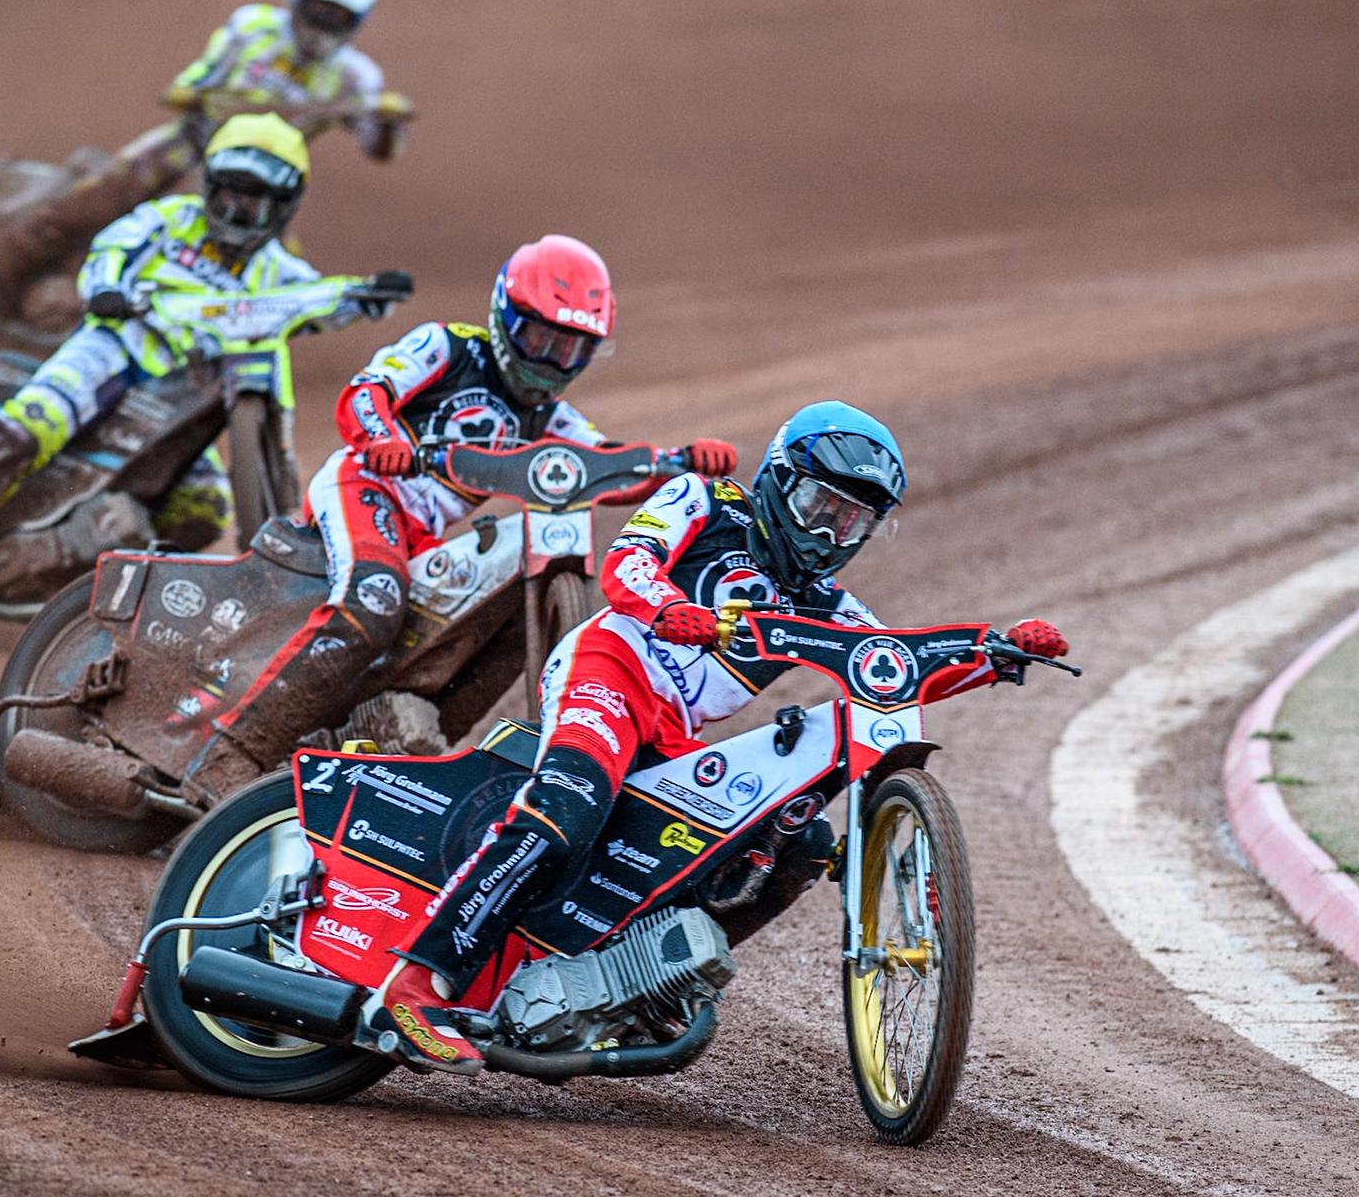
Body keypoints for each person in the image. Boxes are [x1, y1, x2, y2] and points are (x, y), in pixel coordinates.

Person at [359, 400, 1071, 1071]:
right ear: (778, 481)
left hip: (673, 729)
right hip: (609, 669)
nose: (829, 534)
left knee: (799, 842)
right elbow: (627, 564)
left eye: (851, 523)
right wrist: (670, 606)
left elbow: (890, 668)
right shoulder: (706, 501)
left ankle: (641, 982)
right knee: (570, 802)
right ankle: (417, 980)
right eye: (820, 507)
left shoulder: (830, 606)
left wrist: (993, 655)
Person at [171, 233, 740, 795]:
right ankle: (230, 753)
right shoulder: (446, 347)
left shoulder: (552, 419)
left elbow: (602, 466)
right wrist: (383, 438)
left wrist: (680, 465)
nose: (549, 361)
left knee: (477, 619)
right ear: (505, 317)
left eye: (568, 349)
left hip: (420, 539)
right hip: (365, 488)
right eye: (540, 337)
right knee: (373, 603)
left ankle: (400, 745)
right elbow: (367, 390)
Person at [0, 112, 408, 610]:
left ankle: (83, 587)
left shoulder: (277, 270)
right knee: (31, 427)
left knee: (202, 510)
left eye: (253, 206)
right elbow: (111, 249)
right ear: (207, 187)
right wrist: (106, 289)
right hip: (114, 353)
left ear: (285, 207)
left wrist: (364, 294)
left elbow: (313, 302)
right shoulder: (166, 221)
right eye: (228, 199)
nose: (235, 216)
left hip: (184, 401)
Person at [0, 0, 411, 328]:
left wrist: (384, 124)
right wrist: (227, 99)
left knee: (260, 260)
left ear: (357, 20)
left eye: (337, 16)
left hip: (260, 181)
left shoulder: (358, 79)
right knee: (100, 196)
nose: (322, 26)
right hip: (188, 147)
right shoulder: (252, 29)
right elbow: (187, 87)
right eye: (316, 9)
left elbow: (379, 149)